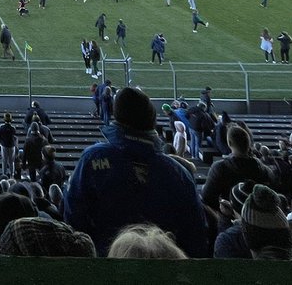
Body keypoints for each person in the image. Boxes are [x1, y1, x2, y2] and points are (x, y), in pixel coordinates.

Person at [64, 86, 206, 256]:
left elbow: (73, 217)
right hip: (166, 269)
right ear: (151, 120)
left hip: (106, 265)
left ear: (118, 118)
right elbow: (196, 235)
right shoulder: (179, 173)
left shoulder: (93, 159)